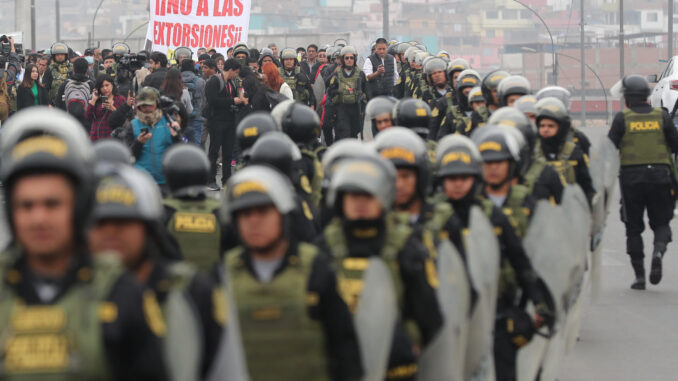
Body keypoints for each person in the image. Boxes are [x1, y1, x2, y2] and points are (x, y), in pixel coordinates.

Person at [0, 108, 167, 380]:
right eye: (26, 205)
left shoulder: (121, 291)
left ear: (79, 208)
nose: (38, 218)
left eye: (52, 204)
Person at [218, 165, 363, 380]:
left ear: (283, 215)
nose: (254, 221)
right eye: (245, 214)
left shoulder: (317, 269)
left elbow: (344, 346)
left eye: (263, 212)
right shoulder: (223, 275)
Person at [434, 134, 554, 381]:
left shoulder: (492, 216)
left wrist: (541, 303)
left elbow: (521, 262)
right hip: (446, 316)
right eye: (451, 179)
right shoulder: (434, 219)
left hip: (494, 313)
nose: (457, 185)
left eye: (464, 178)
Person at [89, 163, 222, 379]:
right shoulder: (72, 293)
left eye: (123, 221)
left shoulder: (191, 290)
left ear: (150, 230)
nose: (110, 231)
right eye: (100, 223)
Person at [318, 155, 443, 380]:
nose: (360, 203)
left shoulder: (406, 244)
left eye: (368, 195)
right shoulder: (325, 246)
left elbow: (429, 314)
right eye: (353, 195)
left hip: (397, 366)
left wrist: (406, 343)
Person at [608, 74, 678, 289]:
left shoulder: (622, 119)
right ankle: (658, 250)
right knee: (662, 223)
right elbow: (675, 146)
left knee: (633, 228)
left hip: (631, 180)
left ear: (627, 98)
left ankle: (639, 277)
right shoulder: (662, 117)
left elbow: (610, 151)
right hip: (661, 178)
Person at [533, 97, 595, 204]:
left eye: (551, 126)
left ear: (561, 128)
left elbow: (586, 185)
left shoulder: (574, 152)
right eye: (542, 126)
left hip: (569, 210)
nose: (545, 129)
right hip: (541, 213)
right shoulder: (532, 152)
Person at [121, 87, 183, 189]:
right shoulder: (132, 125)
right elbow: (128, 156)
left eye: (150, 105)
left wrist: (176, 136)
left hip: (166, 182)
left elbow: (180, 152)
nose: (147, 108)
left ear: (157, 104)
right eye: (143, 105)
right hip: (142, 184)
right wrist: (139, 143)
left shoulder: (169, 122)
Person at [204, 58, 240, 190]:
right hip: (216, 121)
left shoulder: (232, 83)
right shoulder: (214, 81)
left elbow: (232, 100)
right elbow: (212, 100)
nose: (236, 75)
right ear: (230, 70)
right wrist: (232, 101)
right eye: (235, 72)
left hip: (229, 121)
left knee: (228, 153)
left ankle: (227, 181)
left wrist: (238, 102)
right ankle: (210, 180)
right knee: (213, 151)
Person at [327, 46, 366, 140]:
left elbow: (366, 90)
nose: (349, 60)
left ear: (355, 59)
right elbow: (330, 90)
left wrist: (363, 106)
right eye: (346, 58)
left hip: (356, 108)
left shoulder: (360, 74)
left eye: (351, 58)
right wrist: (339, 92)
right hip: (342, 108)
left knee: (354, 133)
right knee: (345, 134)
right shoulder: (337, 74)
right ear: (343, 59)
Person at [86, 74, 126, 141]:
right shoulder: (97, 100)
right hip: (96, 137)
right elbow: (88, 117)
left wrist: (113, 109)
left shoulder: (120, 99)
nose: (105, 88)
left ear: (112, 85)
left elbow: (124, 119)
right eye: (102, 86)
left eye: (107, 85)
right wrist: (94, 99)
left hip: (113, 137)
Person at [57, 57, 93, 128]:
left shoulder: (65, 84)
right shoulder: (91, 85)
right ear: (87, 70)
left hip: (68, 123)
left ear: (73, 70)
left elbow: (58, 105)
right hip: (86, 125)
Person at [180, 59, 206, 145]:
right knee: (195, 143)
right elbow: (204, 99)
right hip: (197, 117)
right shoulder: (200, 81)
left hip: (180, 118)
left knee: (180, 143)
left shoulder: (177, 80)